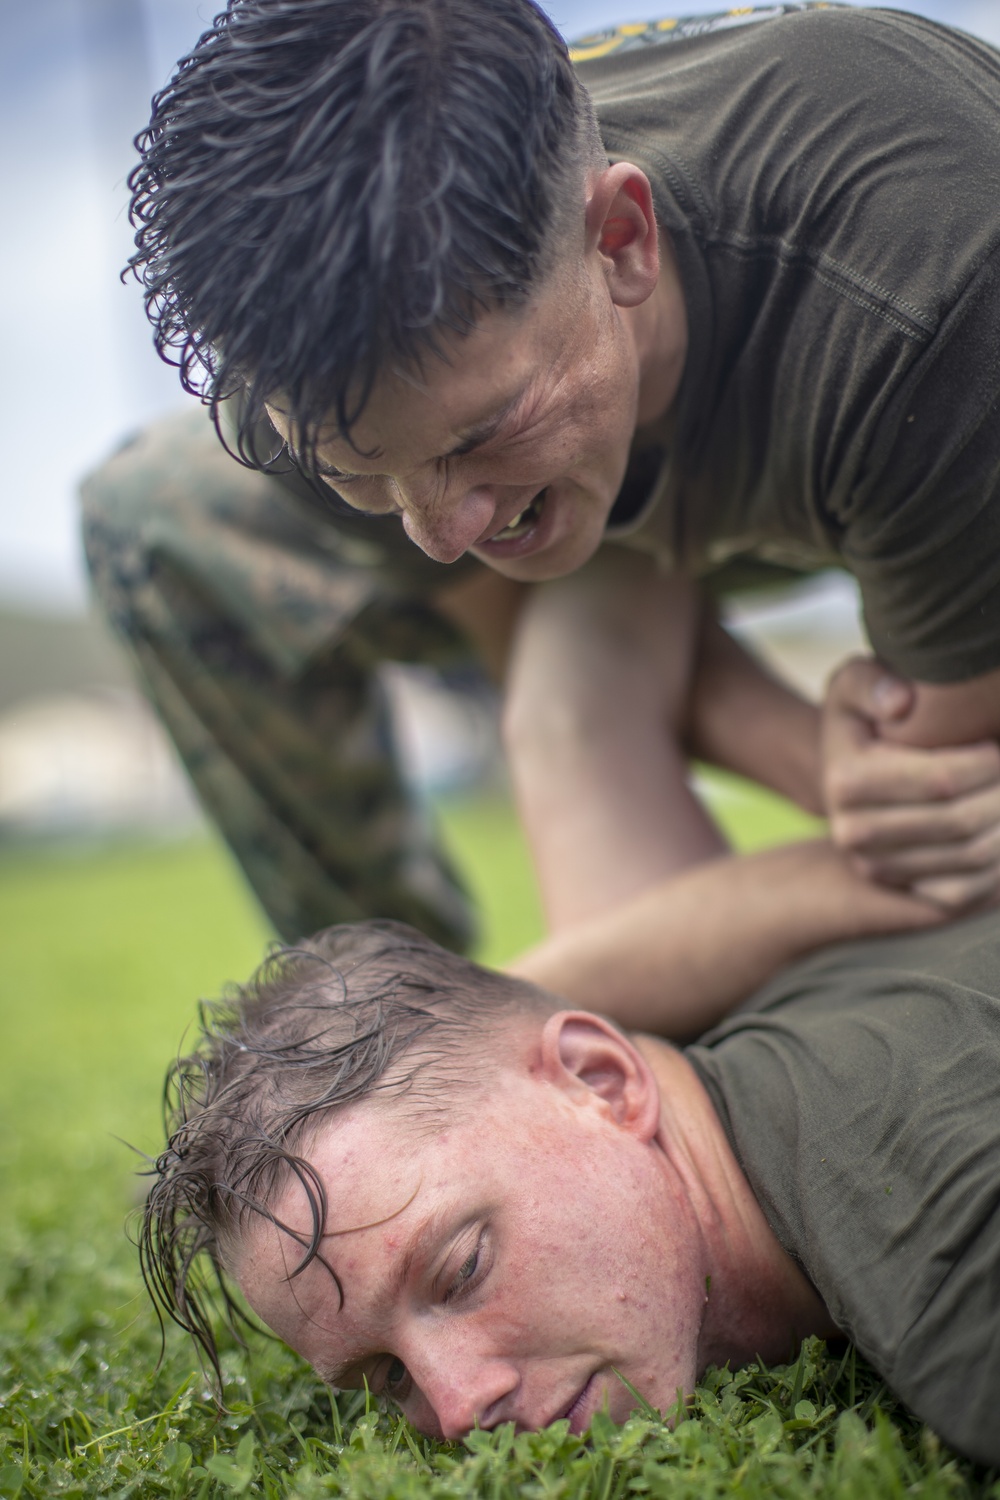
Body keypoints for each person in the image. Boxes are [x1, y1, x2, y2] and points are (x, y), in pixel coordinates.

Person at [83, 0, 1000, 954]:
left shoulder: (928, 277)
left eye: (476, 432)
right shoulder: (305, 415)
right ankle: (397, 1022)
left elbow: (942, 794)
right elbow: (522, 622)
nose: (434, 531)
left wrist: (883, 784)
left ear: (622, 242)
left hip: (895, 401)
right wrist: (814, 756)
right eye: (367, 475)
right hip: (638, 484)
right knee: (152, 512)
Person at [142, 845, 1000, 1466]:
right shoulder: (748, 1019)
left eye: (462, 1268)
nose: (459, 1403)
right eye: (385, 1378)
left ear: (603, 1081)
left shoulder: (936, 1244)